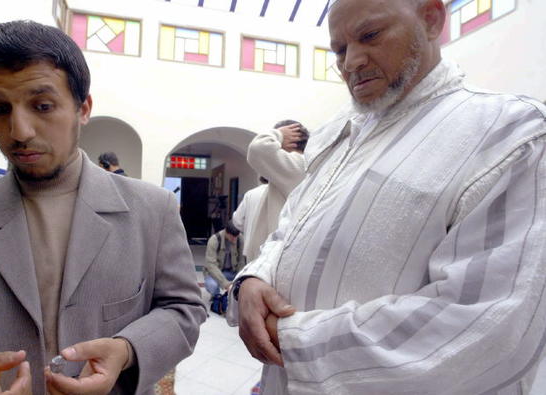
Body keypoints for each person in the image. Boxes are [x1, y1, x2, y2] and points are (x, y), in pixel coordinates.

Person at [230, 0, 546, 394]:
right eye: (340, 50)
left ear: (431, 20)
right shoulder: (335, 134)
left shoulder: (510, 134)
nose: (352, 63)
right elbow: (292, 227)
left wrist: (293, 338)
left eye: (370, 36)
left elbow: (492, 328)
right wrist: (255, 277)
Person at [0, 21, 206, 395]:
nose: (20, 131)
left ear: (83, 109)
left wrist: (127, 349)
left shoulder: (152, 210)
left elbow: (184, 308)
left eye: (43, 105)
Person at [242, 120, 308, 263]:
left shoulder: (299, 166)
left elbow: (257, 149)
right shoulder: (295, 168)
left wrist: (278, 134)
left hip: (273, 261)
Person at [204, 221, 245, 297]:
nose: (234, 239)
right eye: (232, 237)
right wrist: (225, 284)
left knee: (245, 283)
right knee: (212, 285)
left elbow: (241, 261)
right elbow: (210, 265)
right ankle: (217, 297)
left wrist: (239, 279)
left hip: (232, 272)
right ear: (226, 232)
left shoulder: (240, 239)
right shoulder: (214, 240)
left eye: (236, 236)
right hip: (216, 272)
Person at [232, 177, 268, 260]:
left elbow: (237, 220)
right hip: (273, 248)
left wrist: (248, 229)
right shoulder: (282, 193)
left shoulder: (250, 194)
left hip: (251, 246)